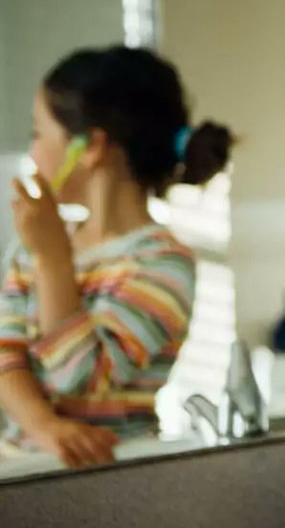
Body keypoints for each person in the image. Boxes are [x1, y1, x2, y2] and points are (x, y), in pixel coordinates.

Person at [0, 46, 232, 468]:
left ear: (89, 147)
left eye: (38, 132)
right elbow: (4, 353)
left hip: (109, 480)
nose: (32, 152)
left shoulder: (164, 264)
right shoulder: (35, 243)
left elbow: (81, 379)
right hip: (24, 467)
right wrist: (44, 428)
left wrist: (53, 263)